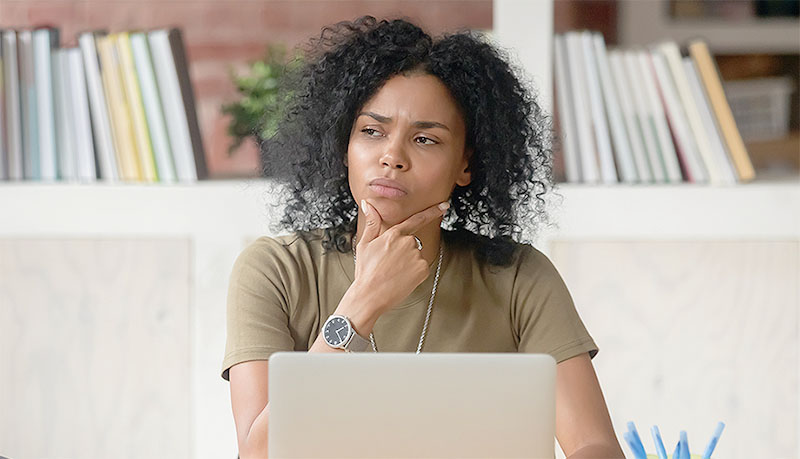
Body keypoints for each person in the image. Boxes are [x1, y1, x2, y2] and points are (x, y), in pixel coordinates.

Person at [221, 15, 624, 459]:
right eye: (371, 132)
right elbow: (256, 454)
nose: (392, 157)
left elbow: (594, 444)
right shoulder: (275, 270)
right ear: (344, 148)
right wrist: (362, 304)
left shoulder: (518, 278)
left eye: (426, 140)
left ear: (465, 164)